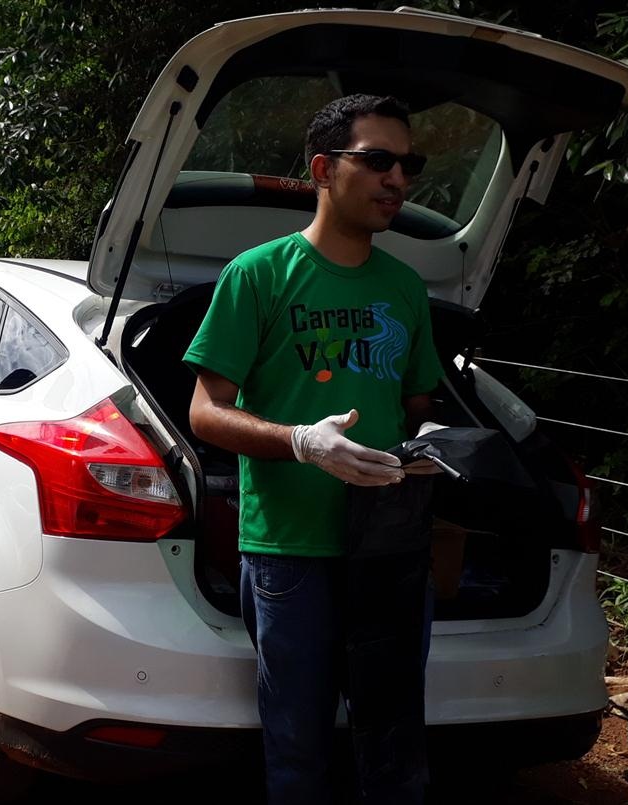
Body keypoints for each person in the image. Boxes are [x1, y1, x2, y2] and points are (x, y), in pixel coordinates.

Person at [184, 94, 444, 805]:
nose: (398, 178)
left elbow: (421, 406)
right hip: (290, 551)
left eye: (409, 163)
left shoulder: (404, 287)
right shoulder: (258, 274)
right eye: (379, 159)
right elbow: (205, 411)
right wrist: (302, 442)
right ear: (324, 169)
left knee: (393, 745)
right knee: (297, 748)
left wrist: (430, 449)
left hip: (389, 548)